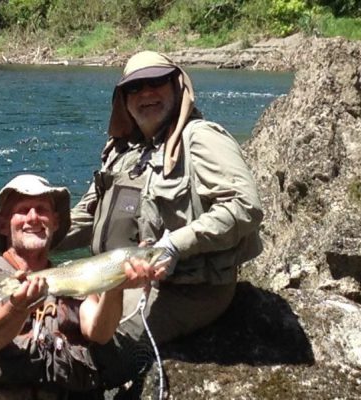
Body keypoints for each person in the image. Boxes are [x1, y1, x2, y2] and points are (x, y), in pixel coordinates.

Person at [58, 50, 263, 392]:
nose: (146, 93)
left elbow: (246, 207)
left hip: (189, 290)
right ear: (123, 99)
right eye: (135, 88)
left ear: (177, 86)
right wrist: (33, 235)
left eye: (156, 83)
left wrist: (174, 245)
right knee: (49, 326)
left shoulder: (202, 138)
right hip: (119, 279)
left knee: (96, 358)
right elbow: (89, 217)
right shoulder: (122, 153)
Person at [0, 174, 163, 399]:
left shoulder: (75, 278)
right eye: (23, 210)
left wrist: (116, 287)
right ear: (2, 225)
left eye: (42, 209)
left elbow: (99, 333)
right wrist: (18, 307)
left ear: (55, 222)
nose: (33, 217)